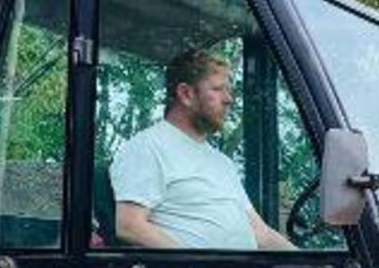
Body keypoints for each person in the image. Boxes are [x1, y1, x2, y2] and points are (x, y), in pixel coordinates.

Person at [110, 47, 294, 250]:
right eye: (217, 89)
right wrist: (196, 264)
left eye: (229, 90)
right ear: (186, 93)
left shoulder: (222, 163)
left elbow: (261, 233)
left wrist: (309, 266)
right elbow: (130, 226)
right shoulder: (148, 147)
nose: (229, 99)